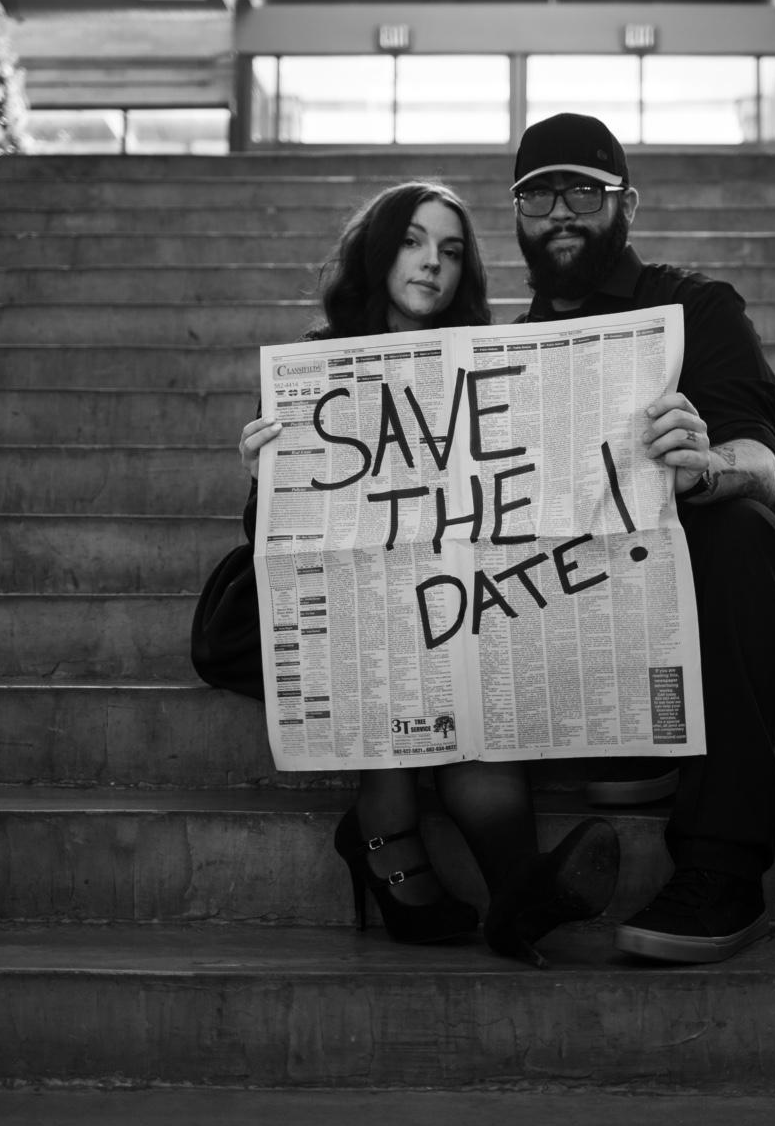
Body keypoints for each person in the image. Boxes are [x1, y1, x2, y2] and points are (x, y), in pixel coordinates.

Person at [223, 181, 619, 964]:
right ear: (379, 252)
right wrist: (265, 477)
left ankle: (511, 892)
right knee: (398, 628)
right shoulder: (315, 365)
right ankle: (400, 837)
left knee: (461, 649)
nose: (431, 262)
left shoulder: (488, 364)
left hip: (454, 597)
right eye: (412, 241)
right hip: (344, 608)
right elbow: (278, 543)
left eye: (450, 249)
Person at [509, 114, 775, 964]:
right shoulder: (503, 351)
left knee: (736, 527)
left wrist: (706, 468)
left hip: (723, 588)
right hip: (580, 605)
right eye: (538, 195)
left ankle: (724, 869)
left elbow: (762, 462)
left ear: (628, 204)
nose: (560, 212)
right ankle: (633, 739)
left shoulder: (697, 306)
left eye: (584, 192)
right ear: (518, 213)